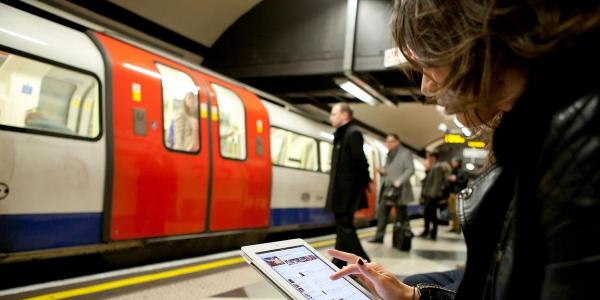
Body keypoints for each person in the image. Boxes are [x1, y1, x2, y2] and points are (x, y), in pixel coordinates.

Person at [327, 0, 600, 298]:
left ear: (478, 41)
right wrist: (413, 296)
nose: (425, 87)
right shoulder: (532, 135)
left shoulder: (580, 140)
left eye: (429, 63)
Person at [325, 102, 371, 268]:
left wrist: (364, 183)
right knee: (342, 225)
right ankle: (339, 259)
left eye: (334, 114)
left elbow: (361, 162)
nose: (331, 117)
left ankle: (364, 262)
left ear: (345, 115)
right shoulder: (342, 134)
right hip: (341, 190)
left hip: (347, 191)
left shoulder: (353, 133)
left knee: (345, 226)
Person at [369, 133, 415, 244]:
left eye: (390, 141)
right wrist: (382, 171)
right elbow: (389, 171)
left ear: (397, 142)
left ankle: (401, 237)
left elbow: (410, 169)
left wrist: (400, 180)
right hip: (387, 189)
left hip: (400, 191)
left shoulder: (405, 153)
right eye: (387, 141)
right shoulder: (389, 155)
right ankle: (379, 237)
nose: (387, 144)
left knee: (401, 216)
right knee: (382, 212)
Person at [419, 151, 448, 240]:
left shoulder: (438, 167)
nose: (428, 159)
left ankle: (432, 233)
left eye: (429, 157)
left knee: (431, 214)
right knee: (428, 214)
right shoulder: (433, 167)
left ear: (434, 157)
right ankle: (427, 231)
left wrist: (432, 195)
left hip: (432, 196)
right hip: (430, 195)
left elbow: (437, 182)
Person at [446, 157, 468, 233]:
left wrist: (456, 179)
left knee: (457, 211)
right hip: (451, 193)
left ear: (458, 162)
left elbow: (464, 182)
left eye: (454, 162)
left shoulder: (463, 171)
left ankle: (459, 228)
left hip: (458, 193)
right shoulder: (452, 171)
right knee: (452, 211)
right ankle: (454, 227)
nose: (452, 163)